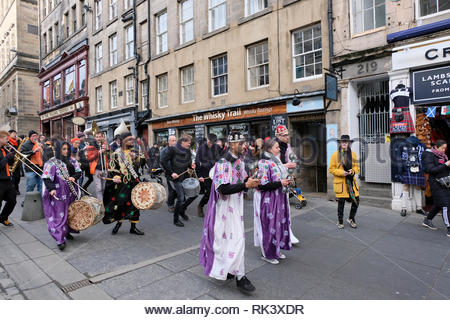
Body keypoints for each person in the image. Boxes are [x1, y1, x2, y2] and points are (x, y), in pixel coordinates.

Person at [200, 131, 260, 293]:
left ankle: (231, 270)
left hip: (237, 207)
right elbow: (223, 188)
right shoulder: (223, 163)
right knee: (235, 240)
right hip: (224, 209)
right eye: (241, 143)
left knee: (231, 241)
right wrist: (246, 185)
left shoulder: (239, 162)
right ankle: (240, 276)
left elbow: (243, 180)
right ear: (232, 144)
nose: (244, 146)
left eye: (244, 142)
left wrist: (252, 179)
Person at [254, 138, 292, 264]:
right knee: (268, 226)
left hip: (278, 198)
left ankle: (275, 250)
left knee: (277, 224)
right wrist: (280, 182)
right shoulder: (264, 162)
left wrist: (286, 180)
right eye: (276, 147)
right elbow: (262, 184)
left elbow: (280, 177)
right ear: (270, 149)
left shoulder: (276, 161)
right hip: (268, 199)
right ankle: (268, 254)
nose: (279, 149)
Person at [41, 141, 82, 250]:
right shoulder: (51, 163)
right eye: (64, 149)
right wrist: (51, 189)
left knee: (70, 213)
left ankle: (67, 232)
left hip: (71, 191)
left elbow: (79, 171)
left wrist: (74, 177)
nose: (66, 151)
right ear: (58, 150)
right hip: (58, 193)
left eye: (67, 149)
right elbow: (46, 177)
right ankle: (59, 239)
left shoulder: (72, 160)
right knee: (59, 216)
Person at [103, 131, 145, 236]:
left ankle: (133, 227)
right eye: (129, 140)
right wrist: (116, 177)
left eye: (132, 139)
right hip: (122, 185)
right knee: (121, 205)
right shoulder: (116, 154)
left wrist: (136, 158)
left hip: (134, 183)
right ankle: (118, 223)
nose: (132, 141)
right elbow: (112, 169)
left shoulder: (134, 151)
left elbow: (142, 163)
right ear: (123, 141)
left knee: (136, 204)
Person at [161, 135, 196, 227]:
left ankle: (181, 211)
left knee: (193, 194)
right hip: (175, 178)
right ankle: (176, 219)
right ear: (182, 142)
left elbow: (188, 163)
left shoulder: (187, 150)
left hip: (185, 177)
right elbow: (163, 161)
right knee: (180, 198)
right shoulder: (172, 150)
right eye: (188, 142)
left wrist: (190, 166)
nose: (190, 143)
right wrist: (171, 173)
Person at [273, 125, 299, 244]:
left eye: (288, 134)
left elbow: (291, 159)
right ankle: (275, 234)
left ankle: (287, 232)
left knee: (286, 209)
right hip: (274, 184)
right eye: (285, 135)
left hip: (284, 182)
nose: (288, 137)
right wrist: (286, 166)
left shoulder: (287, 146)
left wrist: (292, 169)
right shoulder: (272, 148)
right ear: (278, 136)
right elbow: (270, 167)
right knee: (275, 211)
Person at [329, 135, 360, 229]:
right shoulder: (335, 155)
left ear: (349, 143)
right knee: (341, 203)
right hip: (341, 183)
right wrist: (342, 172)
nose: (344, 143)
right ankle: (340, 221)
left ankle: (351, 218)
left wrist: (352, 171)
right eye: (342, 141)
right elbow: (331, 169)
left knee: (356, 200)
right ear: (340, 143)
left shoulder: (353, 154)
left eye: (346, 142)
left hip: (351, 183)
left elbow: (357, 167)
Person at [422, 140, 450, 237]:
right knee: (446, 205)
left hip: (445, 182)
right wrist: (446, 165)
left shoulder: (442, 156)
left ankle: (427, 220)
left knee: (439, 203)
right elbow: (430, 170)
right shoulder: (428, 155)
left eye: (445, 148)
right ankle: (449, 228)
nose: (444, 150)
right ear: (437, 147)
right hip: (436, 183)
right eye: (442, 148)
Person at [195, 134, 221, 217]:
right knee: (209, 191)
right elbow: (197, 163)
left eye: (212, 142)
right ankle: (200, 205)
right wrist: (199, 176)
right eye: (209, 142)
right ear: (207, 139)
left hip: (216, 172)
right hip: (205, 173)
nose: (211, 144)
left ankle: (215, 208)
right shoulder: (201, 148)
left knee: (218, 190)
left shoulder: (217, 147)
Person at [0, 130, 17, 227]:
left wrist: (12, 157)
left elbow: (9, 164)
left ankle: (3, 217)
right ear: (0, 139)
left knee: (12, 200)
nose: (8, 141)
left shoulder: (5, 149)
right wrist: (7, 157)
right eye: (6, 139)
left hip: (7, 179)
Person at [86, 132, 109, 200]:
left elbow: (109, 156)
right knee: (99, 188)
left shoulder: (105, 144)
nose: (98, 138)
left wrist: (107, 150)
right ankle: (100, 204)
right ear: (95, 137)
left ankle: (104, 201)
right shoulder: (91, 146)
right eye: (97, 137)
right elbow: (89, 158)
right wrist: (99, 152)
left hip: (105, 168)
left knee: (104, 187)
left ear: (102, 137)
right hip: (96, 169)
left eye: (100, 137)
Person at [160, 135, 177, 213]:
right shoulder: (164, 151)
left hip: (178, 173)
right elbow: (162, 162)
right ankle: (171, 205)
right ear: (169, 141)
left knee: (178, 190)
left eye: (175, 140)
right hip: (169, 173)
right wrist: (166, 170)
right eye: (173, 140)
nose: (174, 142)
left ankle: (171, 201)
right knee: (172, 190)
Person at [8, 129, 21, 194]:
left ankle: (16, 188)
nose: (15, 135)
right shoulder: (7, 142)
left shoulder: (17, 141)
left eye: (15, 133)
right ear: (9, 134)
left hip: (17, 160)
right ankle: (13, 190)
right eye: (13, 133)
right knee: (11, 177)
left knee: (17, 177)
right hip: (10, 160)